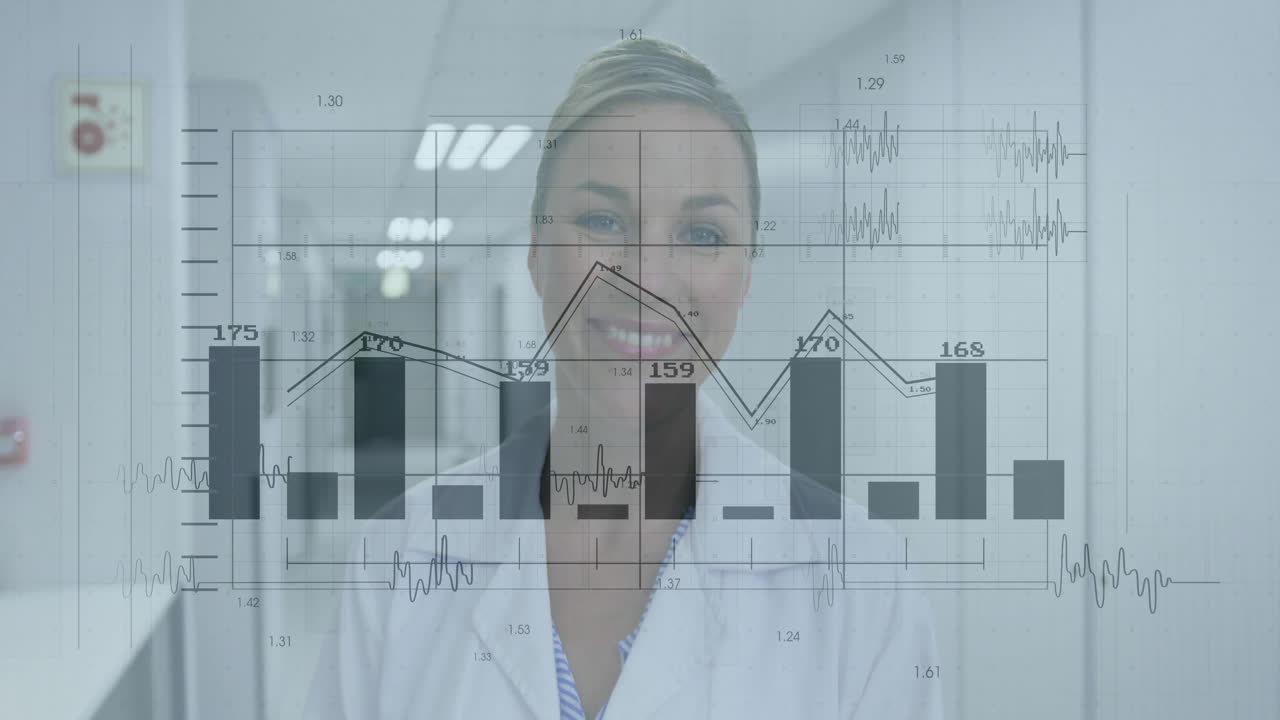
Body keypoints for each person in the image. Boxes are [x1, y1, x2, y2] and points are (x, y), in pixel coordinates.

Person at [304, 36, 942, 719]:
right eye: (603, 220)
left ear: (746, 274)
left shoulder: (861, 583)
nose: (647, 279)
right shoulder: (399, 556)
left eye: (702, 234)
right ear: (538, 253)